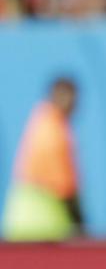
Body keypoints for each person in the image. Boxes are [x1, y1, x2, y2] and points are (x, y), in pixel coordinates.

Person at [3, 76, 84, 241]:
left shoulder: (40, 121)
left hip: (20, 221)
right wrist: (80, 223)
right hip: (44, 225)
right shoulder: (55, 131)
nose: (72, 103)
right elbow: (65, 186)